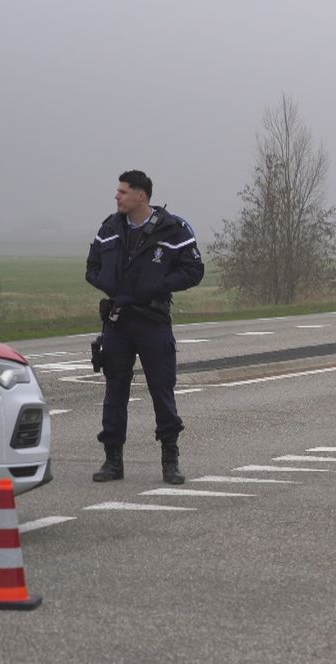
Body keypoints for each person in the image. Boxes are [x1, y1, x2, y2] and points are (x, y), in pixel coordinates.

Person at [85, 170, 204, 485]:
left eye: (123, 192)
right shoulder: (110, 228)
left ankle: (170, 460)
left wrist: (159, 284)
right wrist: (111, 286)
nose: (117, 196)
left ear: (141, 195)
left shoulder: (172, 229)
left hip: (153, 321)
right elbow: (91, 267)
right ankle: (112, 461)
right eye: (118, 191)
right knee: (114, 392)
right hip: (118, 322)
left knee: (162, 390)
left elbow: (194, 269)